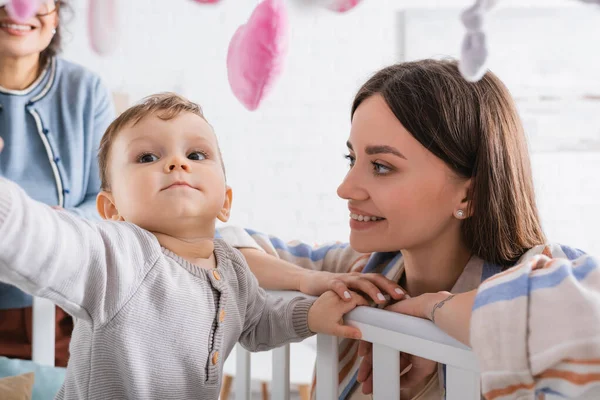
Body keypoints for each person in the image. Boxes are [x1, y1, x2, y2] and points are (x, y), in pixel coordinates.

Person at [217, 59, 589, 399]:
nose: (345, 188)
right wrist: (305, 281)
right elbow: (211, 245)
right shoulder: (357, 271)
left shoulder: (544, 276)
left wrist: (434, 310)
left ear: (469, 193)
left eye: (381, 166)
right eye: (351, 158)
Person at [0, 93, 369, 399]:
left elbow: (257, 323)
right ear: (111, 209)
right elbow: (40, 237)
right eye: (147, 157)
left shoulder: (233, 268)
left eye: (196, 155)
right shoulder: (116, 257)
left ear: (225, 201)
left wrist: (311, 315)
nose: (177, 163)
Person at [0, 0, 114, 366]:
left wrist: (52, 226)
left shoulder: (86, 91)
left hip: (64, 312)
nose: (18, 10)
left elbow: (109, 202)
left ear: (55, 16)